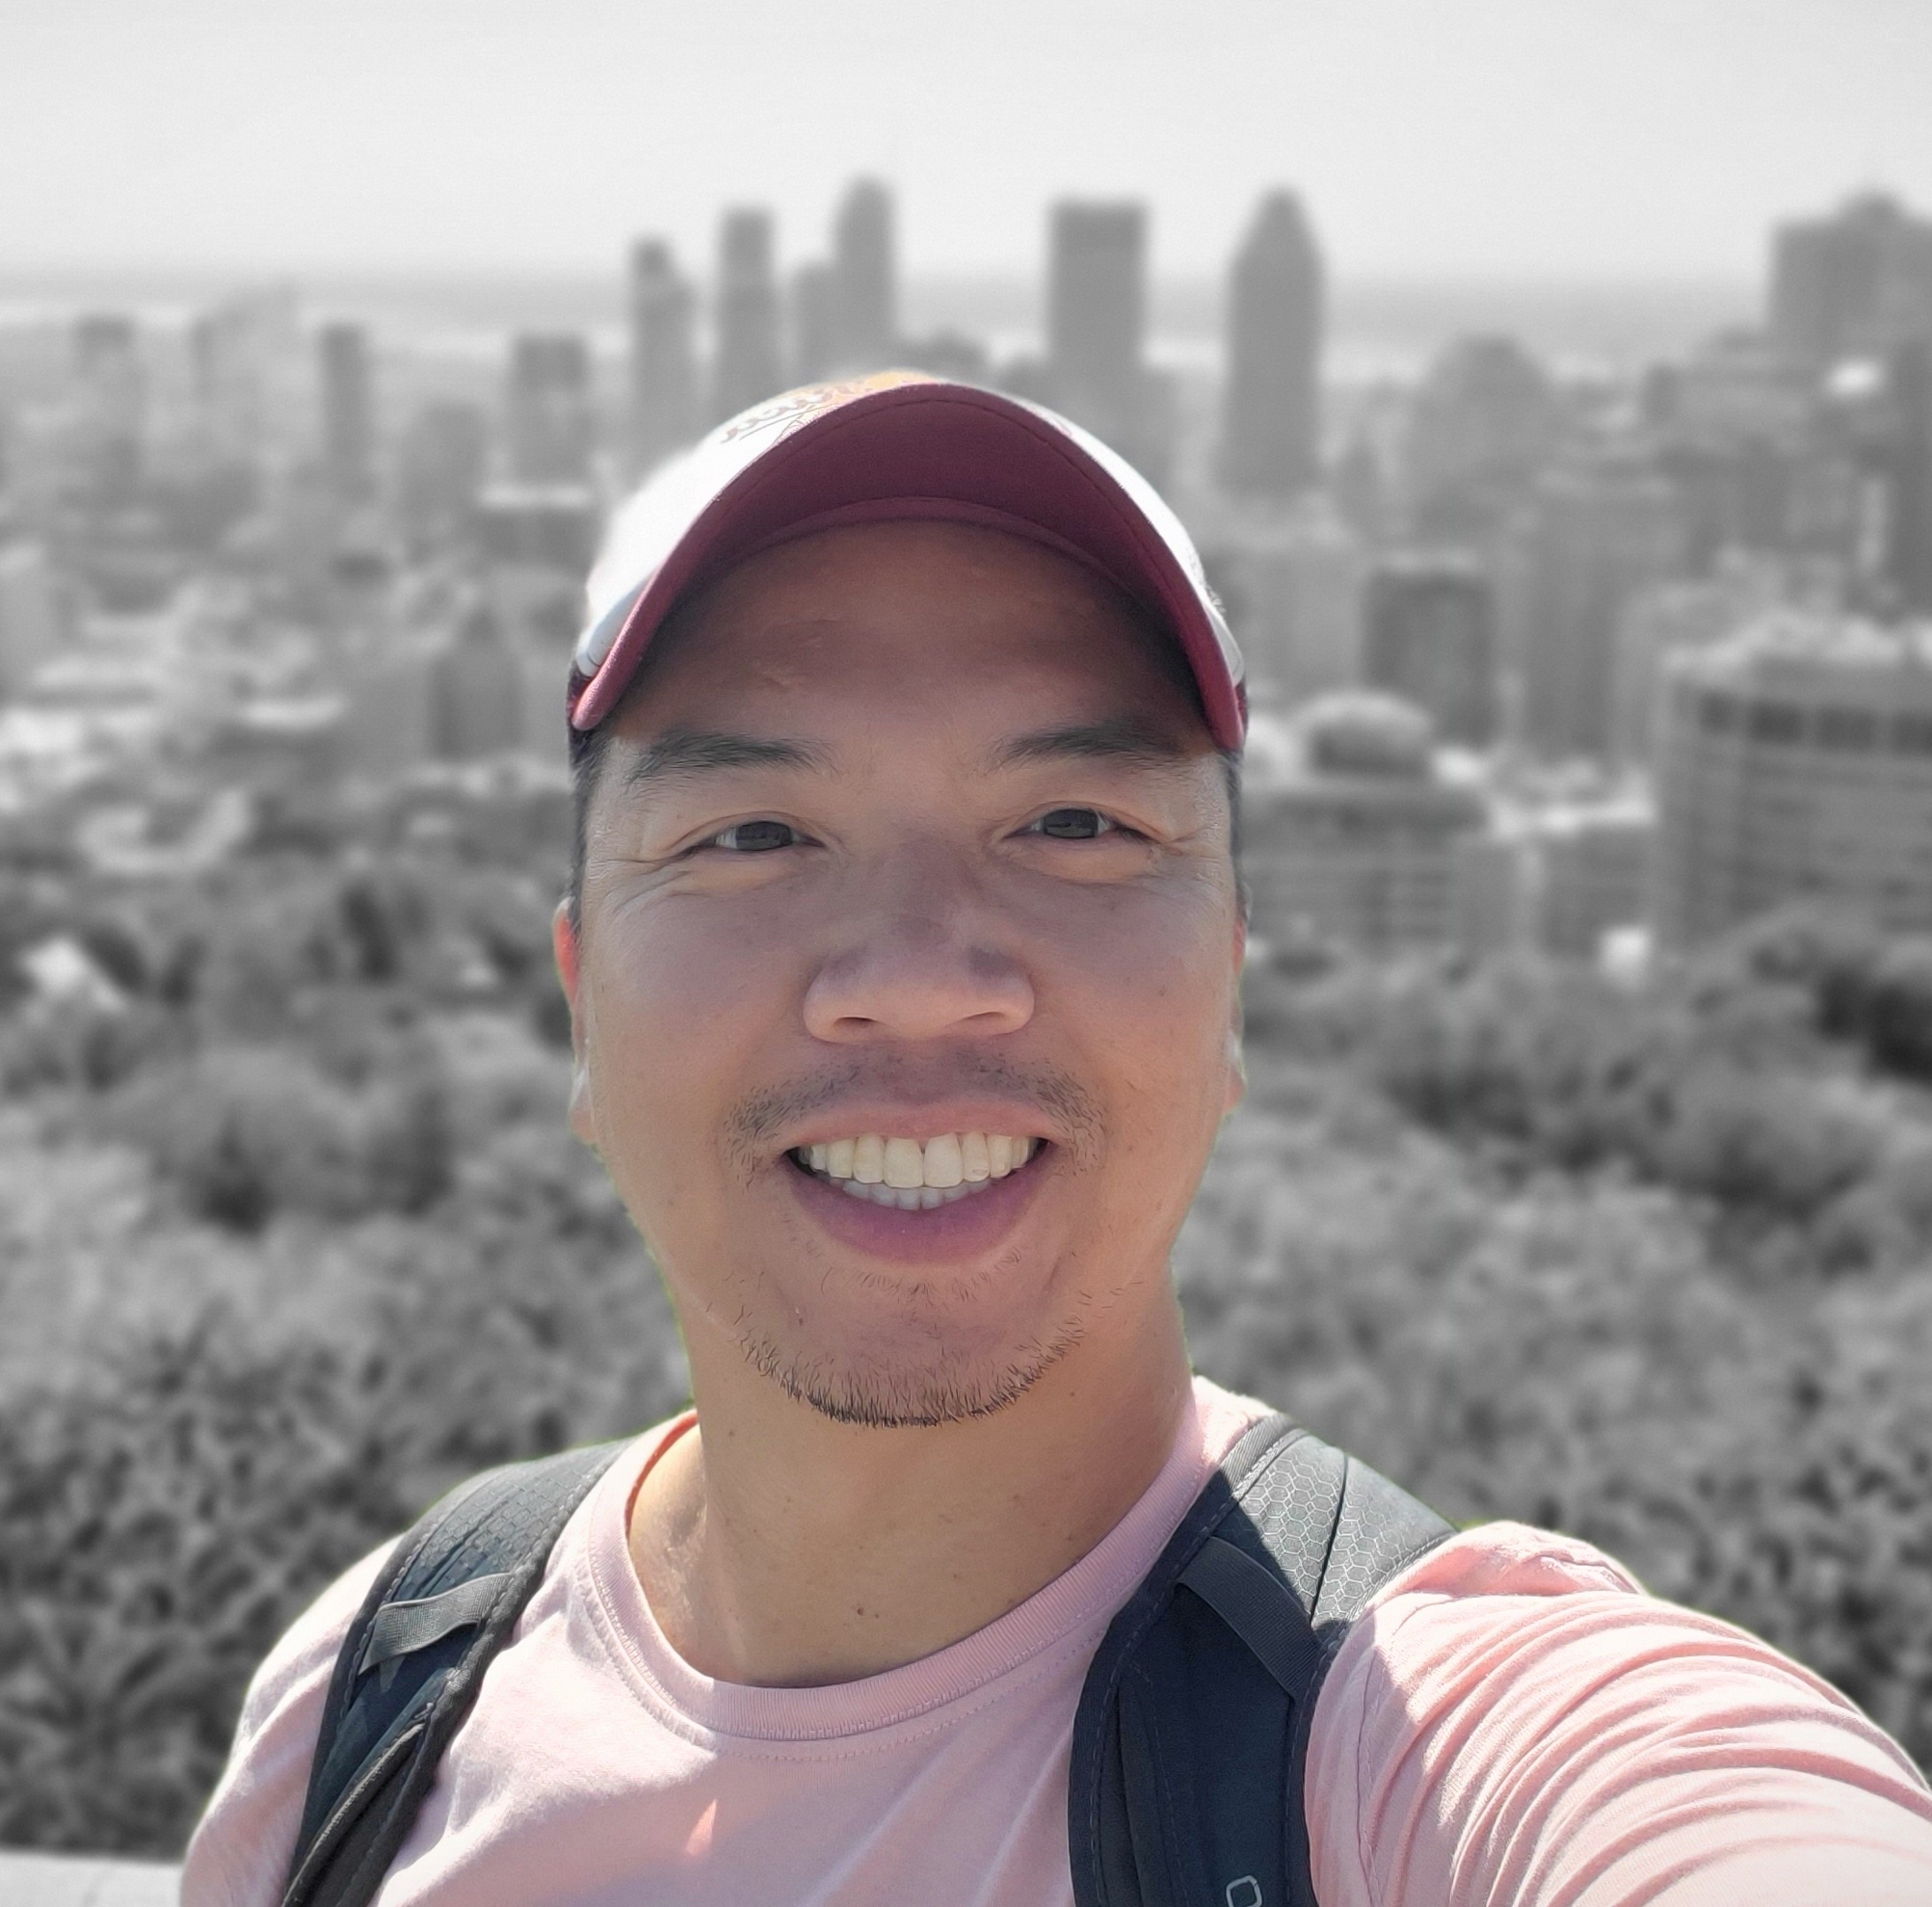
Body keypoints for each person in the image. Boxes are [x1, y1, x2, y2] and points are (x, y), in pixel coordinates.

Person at [184, 374, 1932, 1906]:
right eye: (754, 829)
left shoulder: (1430, 1754)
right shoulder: (374, 1697)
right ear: (580, 996)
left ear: (1232, 976)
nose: (920, 981)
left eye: (1076, 821)